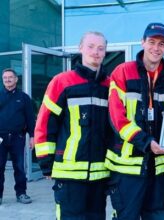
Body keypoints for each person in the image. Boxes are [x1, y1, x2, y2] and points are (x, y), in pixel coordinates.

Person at [104, 22, 164, 220]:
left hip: (161, 168)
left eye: (162, 44)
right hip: (127, 167)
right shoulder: (122, 72)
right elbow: (117, 118)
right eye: (152, 42)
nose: (156, 48)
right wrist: (146, 142)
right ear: (142, 42)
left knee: (158, 216)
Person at [34, 31, 112, 219]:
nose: (96, 52)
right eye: (91, 47)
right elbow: (45, 122)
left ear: (105, 52)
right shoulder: (62, 81)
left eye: (101, 48)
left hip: (100, 175)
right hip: (69, 174)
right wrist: (45, 161)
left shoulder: (110, 86)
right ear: (80, 48)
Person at [0, 68, 35, 205]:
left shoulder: (24, 97)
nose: (7, 79)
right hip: (0, 138)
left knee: (19, 167)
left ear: (16, 79)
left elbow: (30, 118)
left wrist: (32, 136)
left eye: (10, 77)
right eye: (5, 78)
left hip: (18, 138)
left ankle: (21, 193)